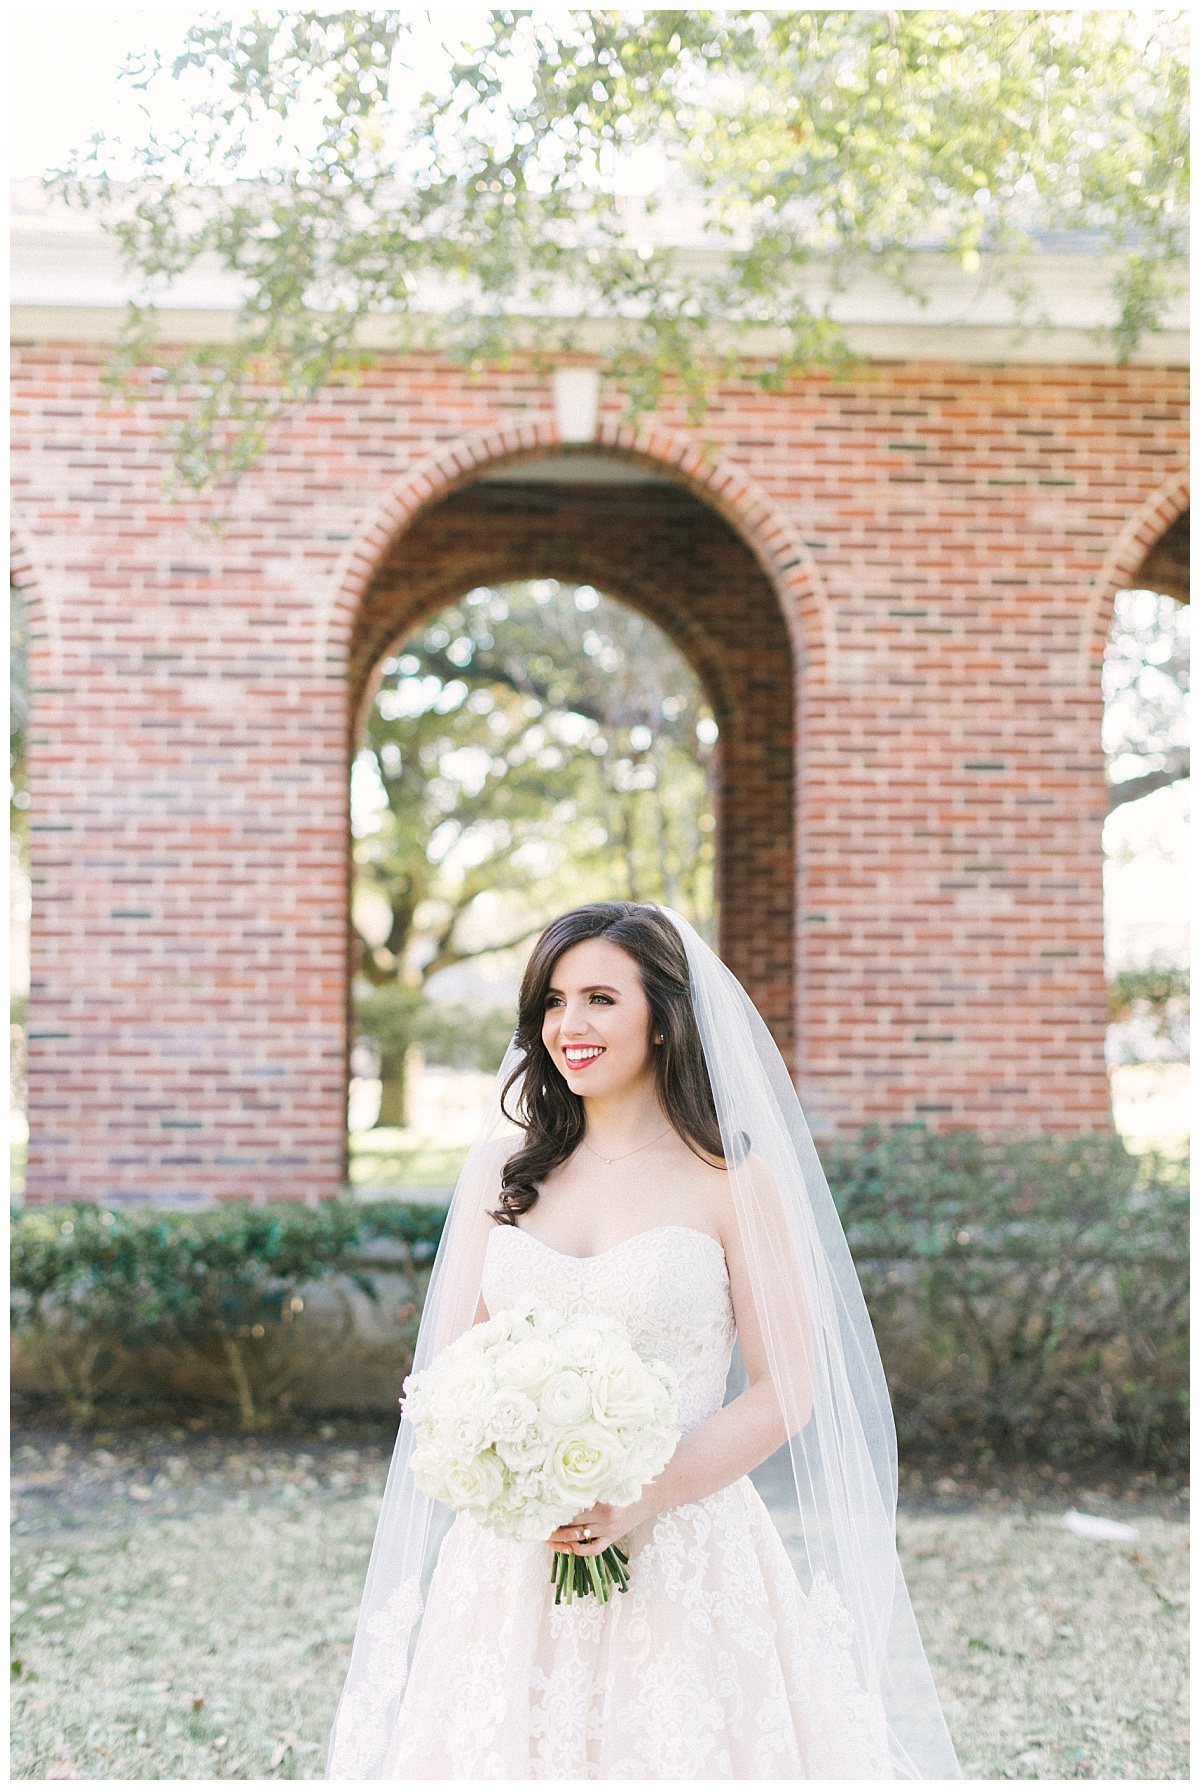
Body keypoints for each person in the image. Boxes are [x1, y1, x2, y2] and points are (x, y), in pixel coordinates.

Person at [328, 902, 961, 1780]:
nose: (567, 1026)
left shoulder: (735, 1182)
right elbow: (445, 1374)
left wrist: (641, 1496)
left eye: (598, 998)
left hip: (684, 1550)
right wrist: (504, 1461)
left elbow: (789, 1387)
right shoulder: (505, 1170)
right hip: (513, 1557)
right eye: (552, 1001)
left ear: (662, 1020)